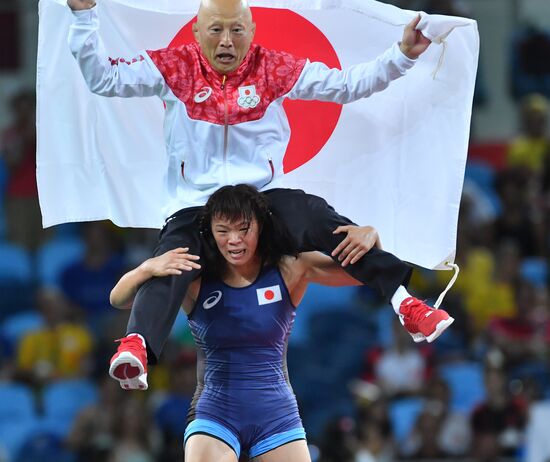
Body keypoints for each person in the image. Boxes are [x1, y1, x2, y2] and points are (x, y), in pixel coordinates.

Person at [66, 0, 453, 390]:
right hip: (195, 207)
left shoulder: (274, 68)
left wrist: (402, 54)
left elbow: (349, 85)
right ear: (197, 33)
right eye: (215, 30)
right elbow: (102, 78)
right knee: (171, 260)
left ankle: (405, 302)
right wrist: (84, 16)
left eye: (236, 30)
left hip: (261, 200)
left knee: (317, 216)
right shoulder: (172, 67)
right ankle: (138, 346)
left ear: (251, 32)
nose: (226, 41)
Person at [109, 184, 388, 461]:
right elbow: (119, 298)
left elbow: (361, 273)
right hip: (215, 414)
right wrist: (147, 268)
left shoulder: (290, 267)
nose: (234, 240)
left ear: (260, 228)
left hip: (277, 416)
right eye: (223, 231)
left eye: (244, 229)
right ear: (210, 234)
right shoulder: (194, 276)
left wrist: (372, 238)